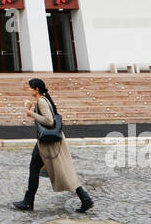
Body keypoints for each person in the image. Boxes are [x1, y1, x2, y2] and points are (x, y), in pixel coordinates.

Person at [13, 77, 94, 214]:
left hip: (48, 143)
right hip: (46, 142)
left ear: (36, 89)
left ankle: (85, 199)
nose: (29, 90)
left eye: (30, 87)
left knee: (62, 171)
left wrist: (31, 113)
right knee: (37, 168)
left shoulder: (42, 102)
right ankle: (28, 200)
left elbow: (49, 121)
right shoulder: (42, 100)